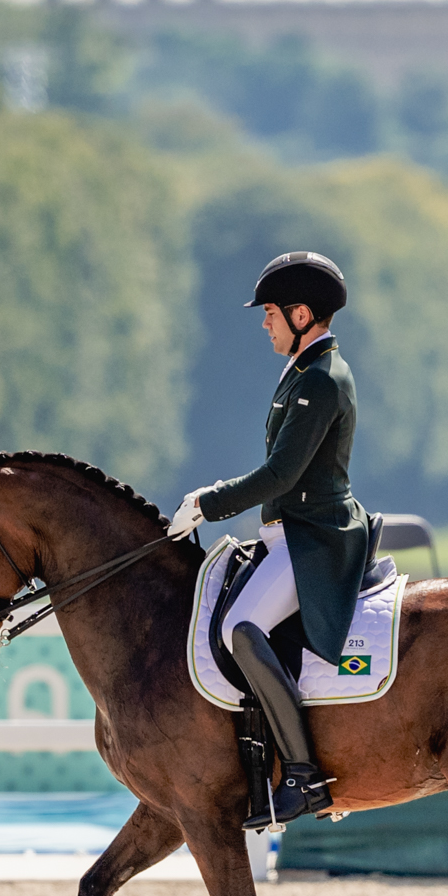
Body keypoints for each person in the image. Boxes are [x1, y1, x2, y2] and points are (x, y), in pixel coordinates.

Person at [167, 251, 364, 829]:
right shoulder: (302, 370)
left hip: (314, 539)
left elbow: (281, 475)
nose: (264, 323)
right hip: (286, 533)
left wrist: (208, 503)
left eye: (272, 313)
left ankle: (304, 775)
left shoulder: (322, 379)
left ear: (302, 314)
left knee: (240, 629)